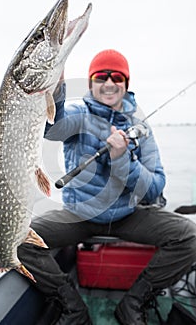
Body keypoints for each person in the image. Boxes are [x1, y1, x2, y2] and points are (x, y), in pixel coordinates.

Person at [18, 49, 196, 325]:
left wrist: (122, 159)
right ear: (91, 83)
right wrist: (57, 87)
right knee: (20, 240)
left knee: (189, 236)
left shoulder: (140, 127)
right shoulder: (79, 115)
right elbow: (53, 128)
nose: (109, 83)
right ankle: (71, 305)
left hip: (128, 215)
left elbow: (155, 187)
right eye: (101, 76)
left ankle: (133, 302)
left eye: (117, 77)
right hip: (80, 215)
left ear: (126, 84)